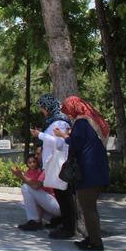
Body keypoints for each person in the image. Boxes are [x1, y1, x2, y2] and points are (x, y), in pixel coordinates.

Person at [54, 96, 110, 251]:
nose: (68, 115)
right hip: (98, 171)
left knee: (88, 209)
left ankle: (96, 243)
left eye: (68, 110)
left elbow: (75, 143)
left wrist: (63, 136)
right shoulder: (91, 121)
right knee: (91, 208)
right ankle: (92, 237)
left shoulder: (81, 122)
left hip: (88, 173)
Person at [31, 93, 74, 239]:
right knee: (61, 196)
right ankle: (64, 223)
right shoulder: (52, 121)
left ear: (48, 106)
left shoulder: (60, 122)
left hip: (60, 164)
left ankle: (69, 228)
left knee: (65, 196)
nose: (42, 111)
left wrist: (40, 135)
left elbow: (60, 143)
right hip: (53, 164)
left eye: (42, 107)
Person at [13, 154, 61, 230]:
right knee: (23, 203)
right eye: (30, 162)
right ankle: (52, 220)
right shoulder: (30, 172)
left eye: (38, 154)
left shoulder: (43, 171)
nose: (37, 156)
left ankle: (35, 222)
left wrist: (21, 176)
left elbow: (36, 186)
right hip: (51, 204)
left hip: (56, 204)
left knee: (25, 187)